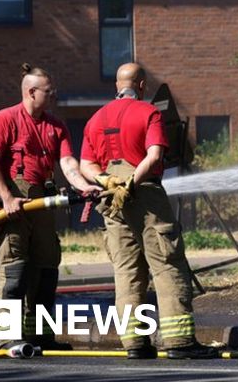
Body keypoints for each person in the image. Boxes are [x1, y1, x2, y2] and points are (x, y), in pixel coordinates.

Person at [79, 62, 218, 360]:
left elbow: (85, 166)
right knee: (167, 264)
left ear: (117, 86)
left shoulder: (94, 120)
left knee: (127, 271)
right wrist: (131, 182)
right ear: (141, 86)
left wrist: (108, 181)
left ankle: (135, 343)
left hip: (111, 200)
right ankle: (180, 342)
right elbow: (154, 156)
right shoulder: (149, 112)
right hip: (145, 195)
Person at [0, 63, 101, 352]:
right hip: (15, 204)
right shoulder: (4, 119)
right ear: (31, 92)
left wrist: (84, 186)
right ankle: (8, 337)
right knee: (14, 270)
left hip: (43, 205)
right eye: (49, 92)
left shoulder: (55, 125)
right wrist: (7, 198)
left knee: (46, 269)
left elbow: (68, 163)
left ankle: (40, 336)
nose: (54, 96)